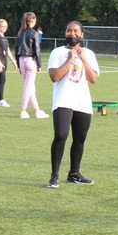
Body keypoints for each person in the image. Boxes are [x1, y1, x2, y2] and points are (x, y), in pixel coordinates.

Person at [46, 21, 100, 188]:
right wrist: (70, 59)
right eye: (69, 30)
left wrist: (82, 58)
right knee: (61, 135)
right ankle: (55, 175)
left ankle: (74, 174)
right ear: (65, 33)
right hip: (63, 100)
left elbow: (93, 79)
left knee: (80, 139)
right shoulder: (57, 52)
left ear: (82, 34)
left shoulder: (89, 53)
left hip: (82, 101)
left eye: (76, 31)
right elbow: (54, 76)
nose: (72, 33)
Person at [15, 12, 49, 119]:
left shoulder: (20, 33)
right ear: (33, 20)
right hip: (30, 61)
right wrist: (39, 65)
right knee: (28, 87)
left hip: (21, 60)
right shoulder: (34, 33)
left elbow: (16, 50)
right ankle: (23, 110)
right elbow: (37, 50)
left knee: (31, 88)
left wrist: (18, 65)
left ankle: (37, 110)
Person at [0, 19, 17, 107]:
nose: (4, 28)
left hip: (4, 60)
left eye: (6, 26)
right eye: (3, 26)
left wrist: (13, 61)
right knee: (2, 79)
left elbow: (8, 50)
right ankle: (1, 100)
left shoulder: (4, 37)